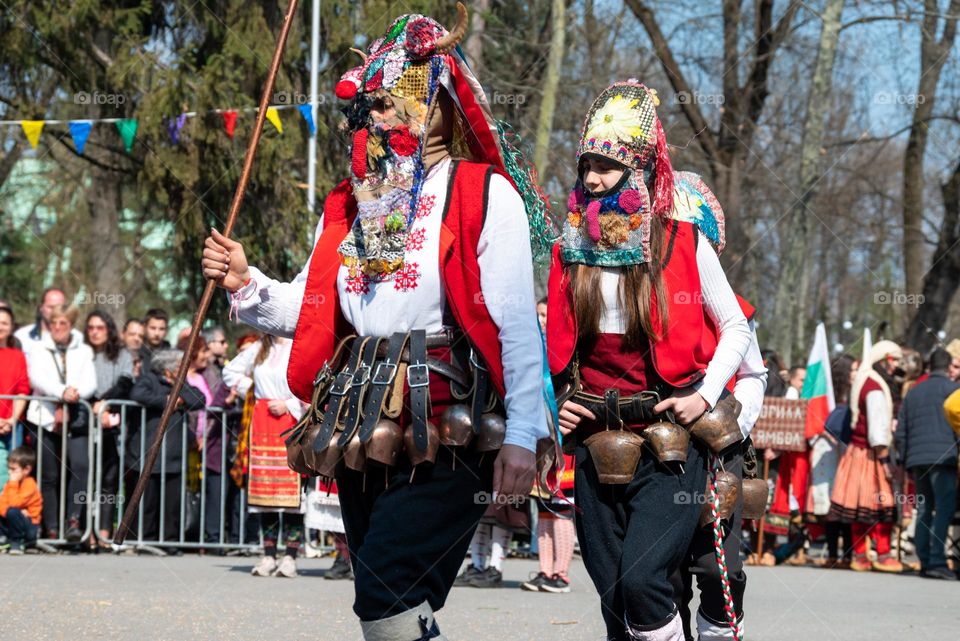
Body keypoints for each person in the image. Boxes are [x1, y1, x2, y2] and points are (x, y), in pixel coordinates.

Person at [203, 6, 553, 639]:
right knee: (384, 592)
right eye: (365, 108)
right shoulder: (351, 203)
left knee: (387, 583)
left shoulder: (480, 194)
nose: (371, 120)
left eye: (388, 106)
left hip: (449, 416)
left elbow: (514, 325)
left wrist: (526, 433)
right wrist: (245, 283)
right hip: (358, 419)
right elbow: (315, 309)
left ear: (435, 109)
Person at [547, 80, 751, 641]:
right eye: (586, 164)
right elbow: (552, 350)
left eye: (605, 166)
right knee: (615, 596)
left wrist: (705, 394)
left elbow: (734, 326)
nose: (590, 178)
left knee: (643, 582)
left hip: (668, 443)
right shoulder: (569, 253)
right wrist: (558, 401)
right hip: (596, 438)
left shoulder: (684, 242)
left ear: (636, 168)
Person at [673, 316, 766, 641]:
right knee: (668, 573)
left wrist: (733, 425)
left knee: (717, 566)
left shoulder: (735, 310)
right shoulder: (644, 290)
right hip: (657, 443)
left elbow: (753, 374)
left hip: (720, 448)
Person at [223, 334, 305, 577]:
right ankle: (268, 554)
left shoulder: (298, 345)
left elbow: (312, 386)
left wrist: (289, 403)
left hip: (291, 421)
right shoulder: (260, 346)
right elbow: (230, 372)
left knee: (291, 497)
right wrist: (254, 390)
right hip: (262, 422)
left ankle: (290, 556)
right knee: (265, 493)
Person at [829, 340, 904, 572]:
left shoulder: (865, 381)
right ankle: (881, 555)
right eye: (894, 361)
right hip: (870, 453)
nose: (895, 367)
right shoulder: (874, 387)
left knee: (860, 506)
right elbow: (877, 429)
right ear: (883, 360)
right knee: (883, 505)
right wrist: (884, 460)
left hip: (858, 451)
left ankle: (860, 556)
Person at [25, 305, 97, 543]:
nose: (57, 328)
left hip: (76, 417)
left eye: (62, 324)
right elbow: (37, 378)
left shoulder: (83, 350)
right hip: (44, 418)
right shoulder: (38, 348)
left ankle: (73, 521)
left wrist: (74, 394)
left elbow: (90, 382)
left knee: (80, 467)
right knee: (49, 475)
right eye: (53, 323)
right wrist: (61, 392)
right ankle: (51, 526)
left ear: (70, 326)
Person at [894, 348, 960, 580]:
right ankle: (937, 560)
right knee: (944, 509)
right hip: (944, 459)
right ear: (948, 366)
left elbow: (901, 430)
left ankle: (924, 559)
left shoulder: (914, 392)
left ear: (930, 366)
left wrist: (905, 459)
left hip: (918, 459)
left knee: (923, 509)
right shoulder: (954, 391)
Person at [128, 349, 205, 546]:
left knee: (172, 504)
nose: (184, 368)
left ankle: (169, 541)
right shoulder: (149, 379)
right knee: (148, 502)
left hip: (174, 454)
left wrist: (180, 395)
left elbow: (200, 399)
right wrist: (166, 401)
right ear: (168, 368)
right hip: (149, 451)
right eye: (180, 365)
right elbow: (137, 394)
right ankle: (145, 540)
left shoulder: (182, 384)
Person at [85, 310, 135, 545]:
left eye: (100, 327)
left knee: (109, 479)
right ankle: (87, 532)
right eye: (91, 328)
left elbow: (125, 383)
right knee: (85, 479)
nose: (95, 332)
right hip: (84, 422)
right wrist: (94, 406)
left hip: (112, 423)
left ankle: (104, 530)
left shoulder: (121, 354)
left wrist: (104, 404)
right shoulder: (82, 353)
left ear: (109, 330)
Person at [812, 354, 857, 569]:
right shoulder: (831, 393)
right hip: (829, 450)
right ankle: (832, 554)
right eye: (854, 369)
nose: (857, 373)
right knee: (833, 503)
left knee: (845, 501)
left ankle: (847, 555)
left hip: (848, 448)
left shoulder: (855, 392)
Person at [0, 306, 30, 488]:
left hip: (13, 425)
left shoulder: (18, 356)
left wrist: (11, 419)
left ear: (11, 327)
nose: (0, 326)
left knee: (13, 471)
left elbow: (22, 389)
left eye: (4, 323)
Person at [14, 287, 83, 359]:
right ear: (41, 307)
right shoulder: (23, 336)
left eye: (59, 307)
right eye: (51, 307)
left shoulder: (77, 337)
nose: (55, 311)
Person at [0, 447, 43, 554]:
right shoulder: (10, 484)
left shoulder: (30, 484)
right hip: (14, 518)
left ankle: (17, 542)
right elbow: (2, 502)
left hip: (30, 525)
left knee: (13, 512)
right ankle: (4, 539)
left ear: (26, 469)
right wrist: (8, 510)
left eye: (13, 469)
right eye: (9, 468)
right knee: (10, 512)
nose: (10, 472)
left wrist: (13, 484)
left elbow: (15, 503)